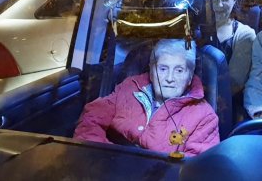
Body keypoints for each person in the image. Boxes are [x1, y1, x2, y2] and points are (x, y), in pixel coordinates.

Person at [74, 39, 220, 156]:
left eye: (179, 70)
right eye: (163, 69)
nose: (169, 78)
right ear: (151, 71)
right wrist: (105, 158)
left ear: (189, 77)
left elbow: (197, 167)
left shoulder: (205, 117)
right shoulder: (129, 88)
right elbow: (92, 118)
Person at [204, 0, 256, 121]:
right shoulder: (193, 29)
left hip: (226, 110)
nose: (219, 4)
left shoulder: (244, 35)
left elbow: (234, 83)